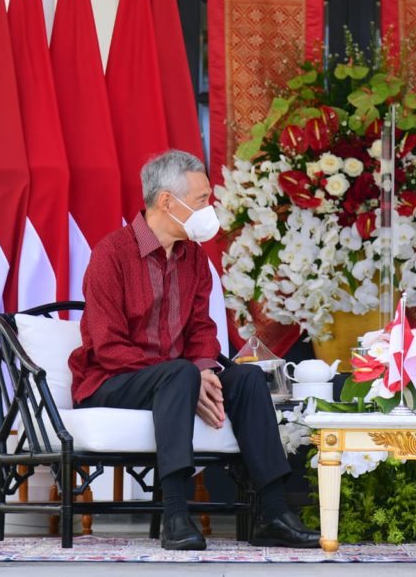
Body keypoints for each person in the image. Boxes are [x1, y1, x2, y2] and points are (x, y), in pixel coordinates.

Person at [68, 150, 320, 551]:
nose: (208, 208)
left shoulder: (194, 258)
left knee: (248, 379)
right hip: (113, 380)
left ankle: (273, 512)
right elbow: (108, 345)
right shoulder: (111, 254)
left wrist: (203, 370)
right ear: (167, 201)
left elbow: (202, 328)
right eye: (201, 199)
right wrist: (185, 374)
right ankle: (175, 514)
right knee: (179, 372)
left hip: (177, 379)